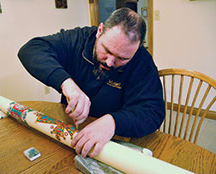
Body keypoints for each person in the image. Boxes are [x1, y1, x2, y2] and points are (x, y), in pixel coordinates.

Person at [18, 7, 165, 158]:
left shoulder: (142, 61)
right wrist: (66, 83)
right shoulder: (79, 38)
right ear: (99, 31)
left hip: (114, 142)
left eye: (122, 59)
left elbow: (153, 112)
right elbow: (31, 50)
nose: (109, 62)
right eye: (107, 50)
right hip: (70, 131)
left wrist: (113, 122)